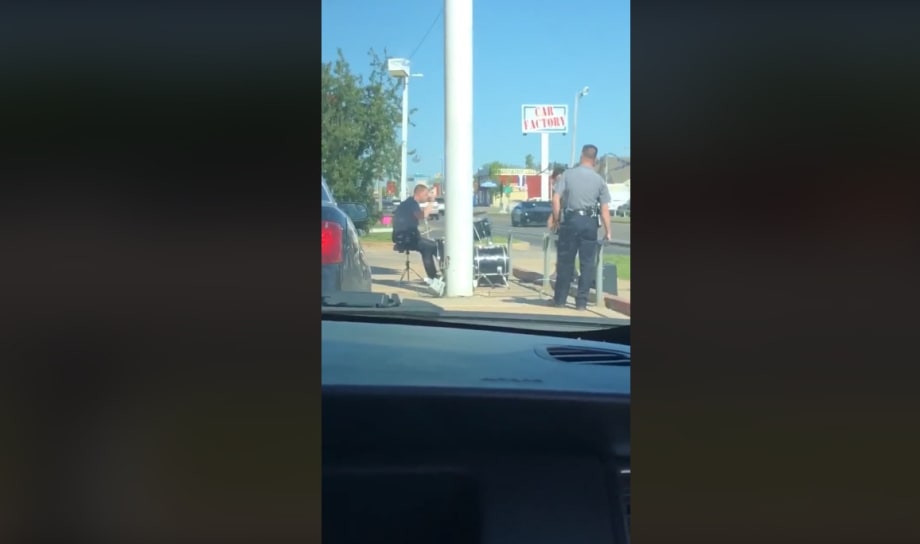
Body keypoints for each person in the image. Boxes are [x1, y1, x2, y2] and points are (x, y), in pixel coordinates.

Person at [549, 145, 612, 310]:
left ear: (582, 156)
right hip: (590, 222)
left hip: (570, 220)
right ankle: (581, 302)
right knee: (587, 264)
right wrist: (608, 231)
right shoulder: (599, 180)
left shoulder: (568, 175)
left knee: (565, 262)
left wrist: (557, 219)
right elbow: (605, 210)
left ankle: (560, 300)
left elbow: (555, 199)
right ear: (595, 159)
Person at [392, 184, 446, 296]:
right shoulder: (412, 203)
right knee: (430, 247)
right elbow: (422, 215)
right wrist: (431, 202)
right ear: (419, 193)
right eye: (425, 195)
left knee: (430, 246)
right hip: (407, 238)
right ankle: (434, 278)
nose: (426, 197)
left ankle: (437, 276)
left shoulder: (407, 203)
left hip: (402, 236)